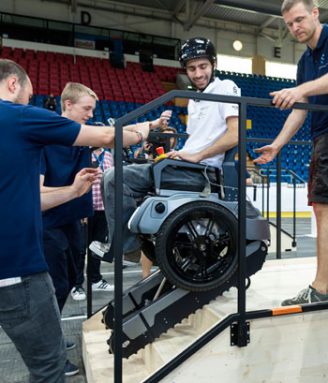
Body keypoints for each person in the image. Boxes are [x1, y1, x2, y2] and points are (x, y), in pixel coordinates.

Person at [0, 58, 158, 383]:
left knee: (46, 358)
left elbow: (32, 197)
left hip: (18, 265)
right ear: (13, 85)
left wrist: (74, 193)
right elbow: (104, 137)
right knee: (49, 370)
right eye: (29, 98)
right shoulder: (17, 118)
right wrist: (144, 129)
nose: (30, 105)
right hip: (18, 268)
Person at [89, 37, 240, 262]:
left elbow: (235, 133)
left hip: (201, 173)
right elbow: (199, 140)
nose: (197, 73)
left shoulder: (225, 87)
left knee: (114, 177)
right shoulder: (193, 100)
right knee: (114, 176)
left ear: (213, 64)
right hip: (185, 166)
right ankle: (129, 245)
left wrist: (196, 155)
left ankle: (125, 245)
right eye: (191, 68)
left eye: (203, 66)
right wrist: (180, 153)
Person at [254, 0, 328, 305]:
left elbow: (302, 95)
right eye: (289, 24)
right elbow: (299, 110)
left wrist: (301, 90)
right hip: (320, 136)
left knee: (324, 212)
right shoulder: (304, 62)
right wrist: (278, 144)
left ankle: (322, 289)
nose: (295, 27)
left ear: (315, 13)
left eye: (299, 19)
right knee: (322, 211)